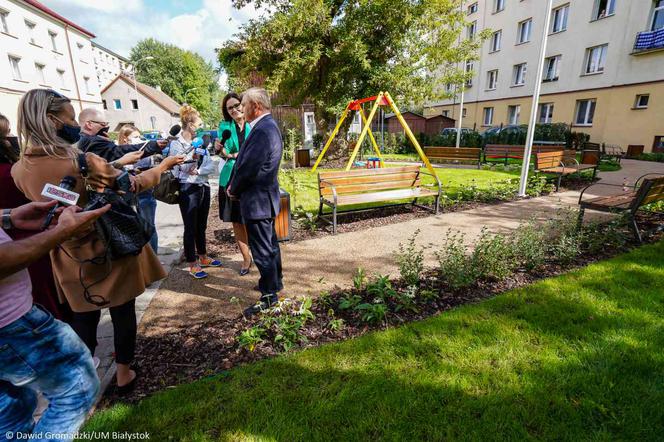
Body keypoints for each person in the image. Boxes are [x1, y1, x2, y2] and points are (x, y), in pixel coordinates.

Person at [11, 89, 184, 394]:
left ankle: (86, 376)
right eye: (69, 117)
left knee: (83, 317)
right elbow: (131, 186)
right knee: (122, 313)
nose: (74, 123)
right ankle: (123, 374)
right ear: (52, 120)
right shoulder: (80, 160)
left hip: (68, 255)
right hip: (108, 247)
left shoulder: (19, 170)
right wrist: (161, 169)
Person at [0, 200, 109, 438]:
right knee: (77, 389)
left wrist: (10, 216)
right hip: (12, 326)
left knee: (10, 411)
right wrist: (62, 232)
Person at [0, 114, 69, 321]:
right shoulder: (13, 171)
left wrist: (8, 216)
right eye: (6, 133)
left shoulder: (20, 167)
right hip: (33, 242)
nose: (11, 138)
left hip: (27, 231)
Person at [228, 88, 284, 316]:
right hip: (264, 199)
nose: (241, 108)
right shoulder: (267, 126)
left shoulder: (262, 130)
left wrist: (234, 188)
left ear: (256, 106)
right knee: (270, 246)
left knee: (262, 251)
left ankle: (269, 297)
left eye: (244, 104)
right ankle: (275, 283)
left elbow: (249, 167)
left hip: (257, 201)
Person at [169, 105, 221, 279]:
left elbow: (210, 166)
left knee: (202, 226)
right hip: (188, 188)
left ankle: (203, 257)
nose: (200, 129)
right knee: (190, 227)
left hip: (203, 186)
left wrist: (199, 170)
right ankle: (192, 263)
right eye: (198, 126)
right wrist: (192, 158)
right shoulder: (177, 145)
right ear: (190, 125)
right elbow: (176, 170)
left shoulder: (202, 143)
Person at [216, 92, 253, 275]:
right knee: (237, 222)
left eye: (236, 105)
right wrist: (223, 151)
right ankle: (246, 259)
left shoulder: (253, 123)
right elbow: (224, 152)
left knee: (253, 219)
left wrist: (235, 154)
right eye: (229, 107)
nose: (234, 109)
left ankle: (260, 255)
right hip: (231, 177)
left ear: (243, 104)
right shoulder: (224, 127)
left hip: (252, 178)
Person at [117, 124, 159, 253]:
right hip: (126, 197)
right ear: (125, 138)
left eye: (139, 137)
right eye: (135, 137)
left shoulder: (143, 153)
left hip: (145, 194)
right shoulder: (116, 153)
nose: (139, 140)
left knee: (149, 227)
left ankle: (154, 261)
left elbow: (151, 170)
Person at [77, 108, 166, 164]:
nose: (106, 128)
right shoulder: (91, 141)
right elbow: (118, 152)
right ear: (89, 124)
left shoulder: (81, 140)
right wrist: (152, 145)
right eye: (103, 124)